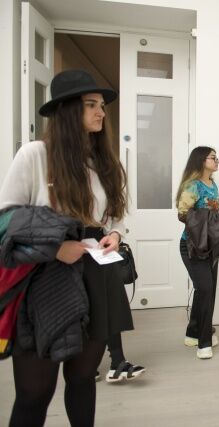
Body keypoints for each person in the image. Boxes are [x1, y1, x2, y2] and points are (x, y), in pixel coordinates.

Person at [0, 69, 138, 425]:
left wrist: (116, 235)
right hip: (44, 279)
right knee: (34, 391)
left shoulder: (104, 162)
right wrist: (56, 248)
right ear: (66, 110)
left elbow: (117, 215)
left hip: (96, 274)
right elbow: (6, 219)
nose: (101, 112)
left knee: (82, 379)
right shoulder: (35, 155)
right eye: (91, 104)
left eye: (102, 105)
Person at [176, 146, 219, 359]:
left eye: (216, 157)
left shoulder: (212, 184)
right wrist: (207, 217)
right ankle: (204, 342)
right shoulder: (192, 185)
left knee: (207, 290)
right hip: (192, 246)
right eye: (213, 157)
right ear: (201, 161)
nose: (217, 160)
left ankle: (193, 333)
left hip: (211, 245)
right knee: (205, 289)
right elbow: (183, 214)